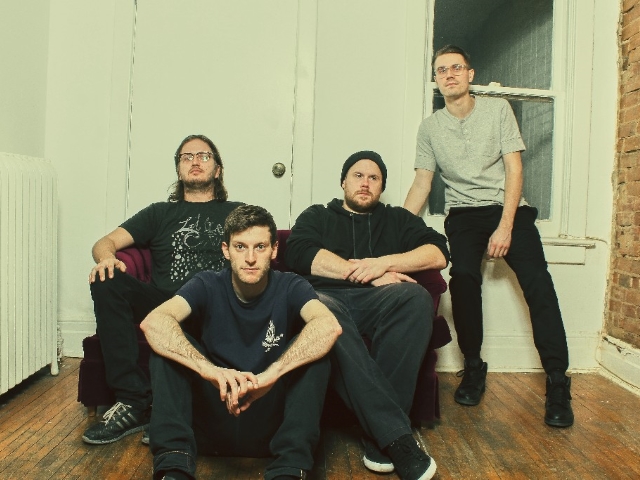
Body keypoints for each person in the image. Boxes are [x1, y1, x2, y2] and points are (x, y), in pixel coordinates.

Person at [403, 45, 574, 428]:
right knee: (463, 277)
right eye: (441, 70)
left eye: (456, 67)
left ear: (470, 74)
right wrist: (394, 226)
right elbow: (422, 183)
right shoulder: (430, 128)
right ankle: (473, 366)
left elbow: (515, 169)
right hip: (464, 215)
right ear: (436, 79)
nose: (449, 74)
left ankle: (558, 381)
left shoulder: (498, 110)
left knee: (538, 282)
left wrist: (506, 226)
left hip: (507, 207)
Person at [139, 205, 342, 480]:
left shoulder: (291, 285)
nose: (250, 258)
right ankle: (174, 469)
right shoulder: (207, 283)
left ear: (274, 250)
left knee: (315, 351)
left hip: (272, 422)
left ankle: (289, 470)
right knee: (167, 347)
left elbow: (329, 326)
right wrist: (209, 371)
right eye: (240, 247)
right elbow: (153, 322)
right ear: (226, 250)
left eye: (260, 247)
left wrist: (271, 375)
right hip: (212, 419)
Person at [285, 151, 449, 480]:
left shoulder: (398, 219)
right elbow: (299, 252)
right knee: (323, 311)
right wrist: (366, 273)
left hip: (380, 301)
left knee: (416, 297)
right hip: (327, 297)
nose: (365, 183)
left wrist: (383, 264)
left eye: (374, 178)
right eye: (357, 175)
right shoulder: (318, 215)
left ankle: (377, 434)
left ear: (381, 187)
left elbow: (438, 252)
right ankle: (394, 437)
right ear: (343, 182)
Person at [82, 134, 243, 445]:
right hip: (164, 305)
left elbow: (262, 245)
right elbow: (105, 242)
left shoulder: (237, 213)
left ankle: (177, 415)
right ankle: (133, 401)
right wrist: (106, 259)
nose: (195, 161)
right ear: (178, 170)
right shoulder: (159, 213)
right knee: (106, 279)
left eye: (204, 156)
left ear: (218, 170)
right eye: (187, 157)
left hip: (214, 304)